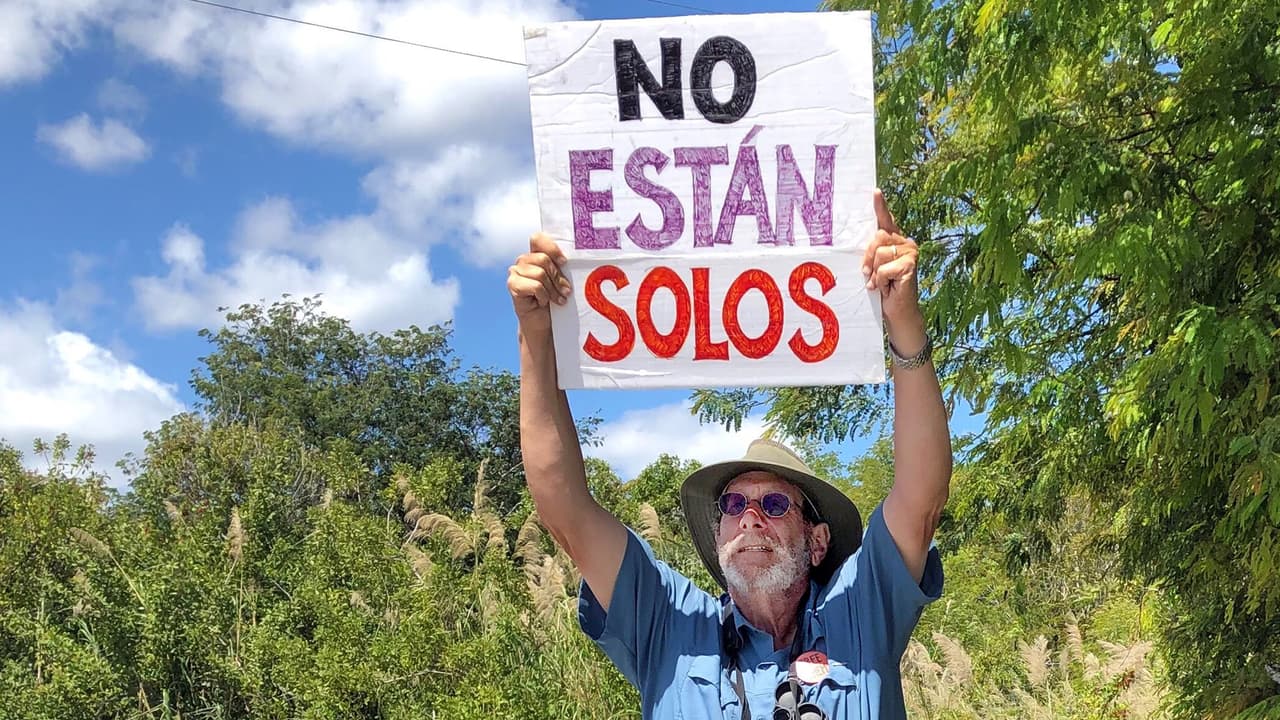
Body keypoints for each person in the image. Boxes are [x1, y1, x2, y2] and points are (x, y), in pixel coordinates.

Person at [506, 189, 952, 720]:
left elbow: (922, 495)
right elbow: (565, 511)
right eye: (734, 506)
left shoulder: (861, 610)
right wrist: (536, 336)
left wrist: (903, 320)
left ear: (817, 542)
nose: (750, 519)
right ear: (718, 535)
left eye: (776, 505)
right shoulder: (669, 623)